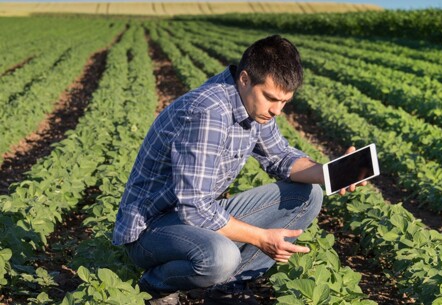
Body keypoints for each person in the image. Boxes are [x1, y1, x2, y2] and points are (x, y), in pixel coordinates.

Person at [112, 35, 365, 305]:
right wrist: (262, 238)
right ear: (245, 79)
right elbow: (195, 209)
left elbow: (280, 156)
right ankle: (156, 286)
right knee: (221, 257)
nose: (277, 110)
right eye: (271, 98)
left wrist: (332, 171)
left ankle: (227, 287)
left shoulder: (255, 106)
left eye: (284, 101)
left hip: (195, 218)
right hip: (152, 231)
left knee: (308, 195)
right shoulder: (208, 112)